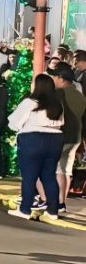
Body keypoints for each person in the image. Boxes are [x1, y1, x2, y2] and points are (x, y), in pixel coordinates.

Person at [8, 75, 64, 222]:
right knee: (49, 176)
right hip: (55, 139)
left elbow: (13, 123)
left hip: (32, 139)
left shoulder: (29, 102)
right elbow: (61, 123)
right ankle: (53, 212)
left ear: (37, 86)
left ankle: (25, 209)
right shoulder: (58, 104)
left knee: (29, 176)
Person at [47, 65, 85, 212]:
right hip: (76, 136)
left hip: (61, 135)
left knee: (56, 170)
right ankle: (62, 202)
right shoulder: (79, 95)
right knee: (66, 170)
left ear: (62, 79)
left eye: (54, 76)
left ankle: (54, 201)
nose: (53, 79)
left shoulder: (58, 94)